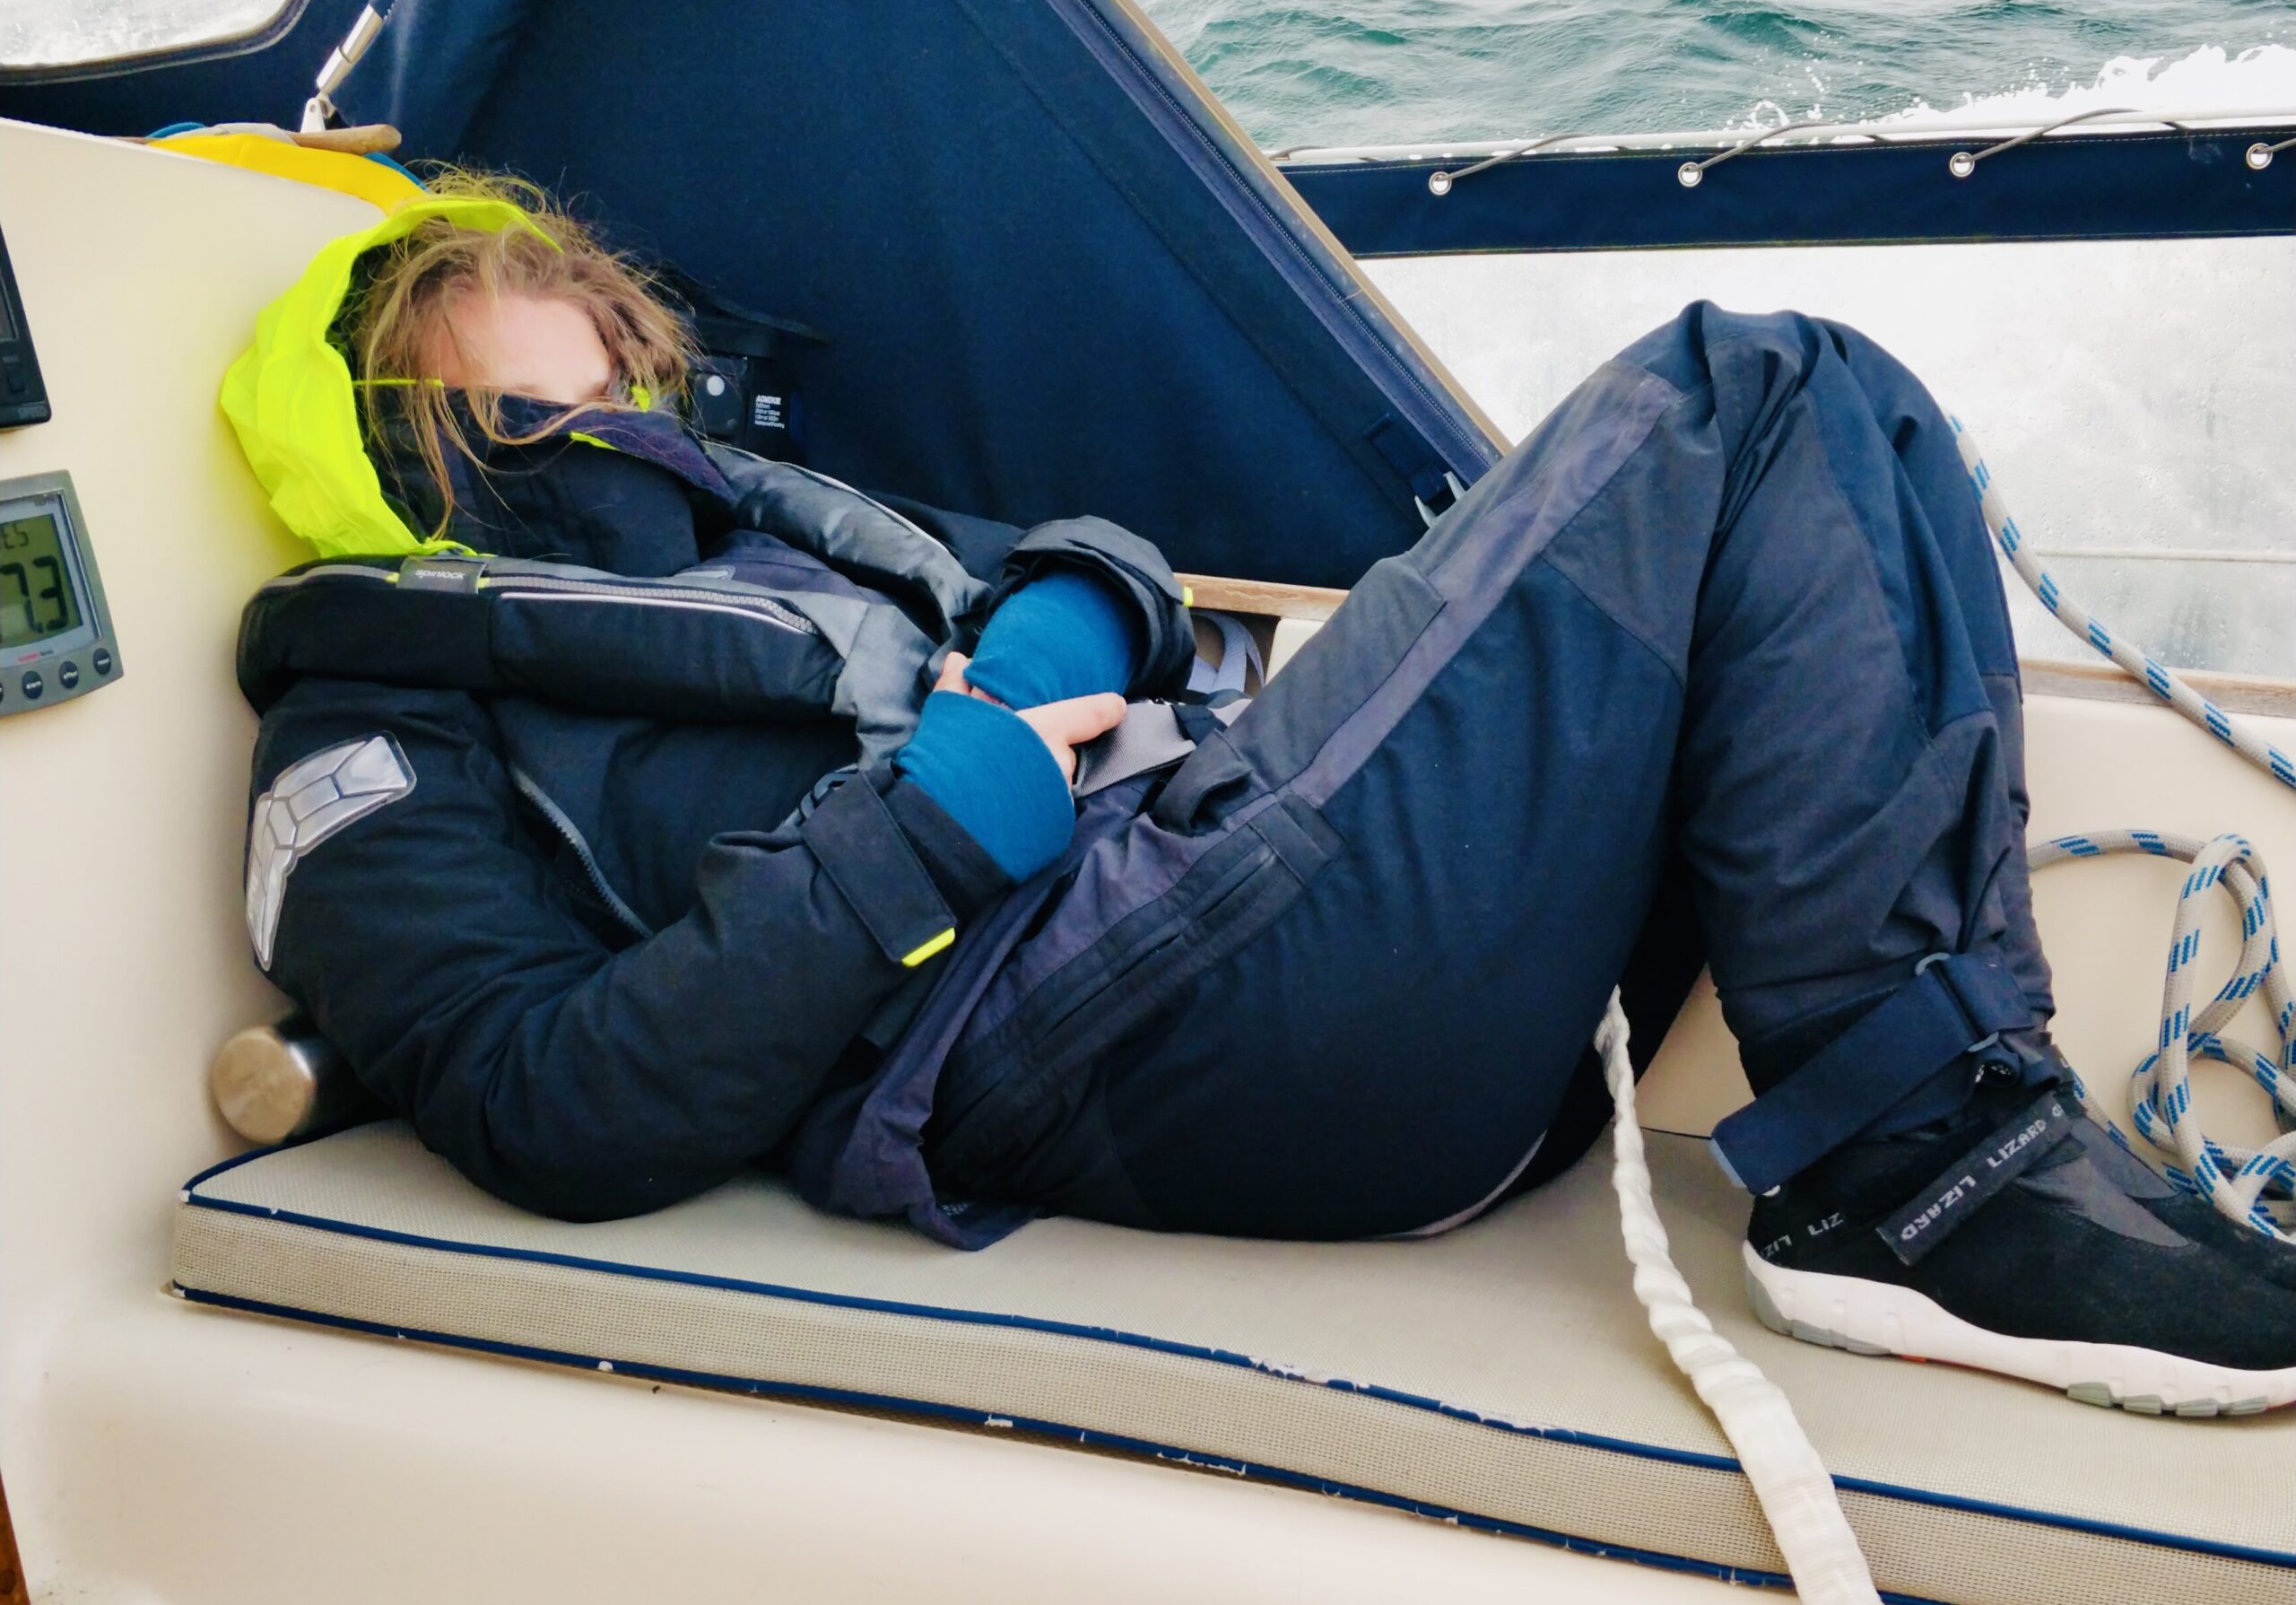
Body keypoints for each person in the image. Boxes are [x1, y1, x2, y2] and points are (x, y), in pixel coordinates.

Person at [225, 171, 2296, 1413]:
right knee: (1738, 391)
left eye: (626, 390)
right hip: (1098, 1020)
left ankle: (1962, 1105)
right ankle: (1908, 1179)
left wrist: (1045, 643)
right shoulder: (371, 721)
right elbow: (536, 1100)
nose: (616, 441)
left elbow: (1082, 563)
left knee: (1827, 418)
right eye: (528, 412)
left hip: (1228, 918)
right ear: (408, 447)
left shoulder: (776, 541)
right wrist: (932, 822)